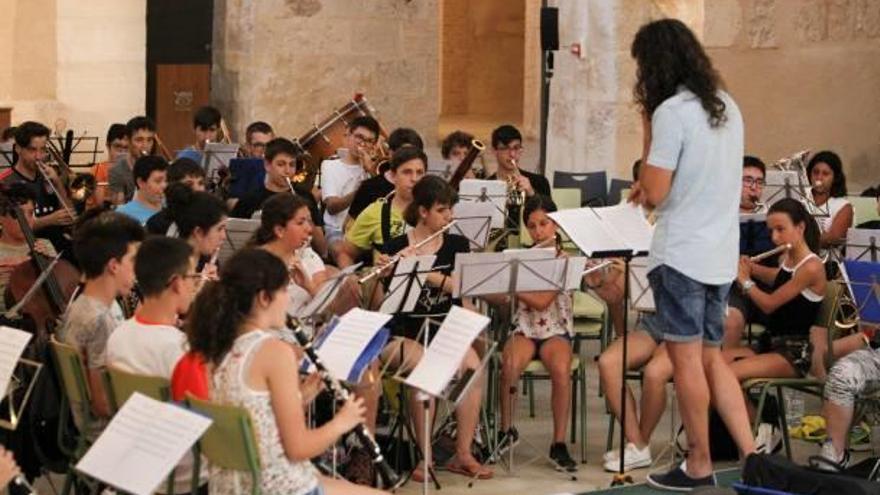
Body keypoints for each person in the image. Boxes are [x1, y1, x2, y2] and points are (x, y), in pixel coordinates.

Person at [627, 19, 755, 490]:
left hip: (680, 254)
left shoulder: (672, 112)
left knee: (685, 363)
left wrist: (646, 122)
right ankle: (750, 454)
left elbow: (656, 191)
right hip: (720, 253)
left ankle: (699, 462)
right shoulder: (728, 107)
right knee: (712, 358)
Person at [184, 248, 386, 495]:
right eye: (284, 290)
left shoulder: (215, 345)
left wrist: (300, 397)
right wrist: (343, 422)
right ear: (263, 298)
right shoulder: (274, 352)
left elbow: (253, 417)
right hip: (275, 486)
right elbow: (298, 448)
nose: (288, 300)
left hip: (232, 484)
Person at [377, 175, 491, 481]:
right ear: (423, 211)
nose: (449, 216)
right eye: (442, 210)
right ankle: (424, 458)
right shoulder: (396, 246)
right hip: (404, 331)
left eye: (450, 209)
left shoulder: (456, 244)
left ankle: (463, 453)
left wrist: (426, 272)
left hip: (444, 328)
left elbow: (461, 287)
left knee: (472, 365)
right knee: (424, 369)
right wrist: (388, 272)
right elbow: (383, 305)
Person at [106, 236, 204, 494]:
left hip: (139, 461)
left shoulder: (118, 335)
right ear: (175, 283)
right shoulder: (179, 350)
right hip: (184, 476)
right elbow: (206, 427)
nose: (196, 285)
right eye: (193, 278)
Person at [497, 194, 578, 472]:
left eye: (544, 224)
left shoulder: (564, 259)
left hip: (556, 328)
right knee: (509, 365)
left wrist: (511, 283)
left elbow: (544, 301)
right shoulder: (520, 258)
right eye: (532, 226)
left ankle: (558, 443)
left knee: (560, 369)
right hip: (524, 327)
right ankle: (506, 431)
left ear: (555, 225)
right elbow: (506, 302)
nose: (538, 231)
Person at [58, 211, 145, 439]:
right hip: (107, 433)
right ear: (114, 265)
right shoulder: (100, 320)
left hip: (87, 426)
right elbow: (103, 405)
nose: (137, 269)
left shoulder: (81, 305)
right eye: (133, 261)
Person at [230, 137, 326, 256]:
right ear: (267, 165)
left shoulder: (304, 197)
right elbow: (235, 243)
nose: (287, 171)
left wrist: (310, 223)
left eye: (292, 165)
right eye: (281, 164)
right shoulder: (250, 200)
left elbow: (323, 251)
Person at [337, 146, 426, 268]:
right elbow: (345, 253)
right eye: (407, 172)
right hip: (384, 283)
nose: (414, 179)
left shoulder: (434, 211)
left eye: (419, 172)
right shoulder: (374, 212)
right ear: (393, 176)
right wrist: (350, 278)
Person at [0, 121, 75, 256]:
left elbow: (69, 215)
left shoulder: (50, 175)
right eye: (32, 149)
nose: (39, 156)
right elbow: (10, 228)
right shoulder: (5, 182)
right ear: (18, 148)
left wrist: (57, 183)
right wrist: (49, 220)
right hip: (27, 249)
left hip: (57, 245)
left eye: (42, 149)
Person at [321, 117, 380, 261]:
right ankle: (351, 282)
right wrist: (362, 189)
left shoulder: (374, 169)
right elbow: (332, 207)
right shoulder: (330, 165)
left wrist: (371, 171)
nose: (363, 144)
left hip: (366, 231)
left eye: (369, 141)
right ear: (348, 135)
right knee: (342, 253)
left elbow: (382, 199)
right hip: (337, 229)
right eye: (359, 137)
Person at [0, 184, 58, 314]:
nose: (26, 220)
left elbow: (58, 288)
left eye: (31, 213)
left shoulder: (45, 245)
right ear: (1, 217)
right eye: (17, 214)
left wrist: (48, 262)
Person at [347, 127, 424, 222]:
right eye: (405, 155)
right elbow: (349, 226)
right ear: (391, 154)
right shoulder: (369, 187)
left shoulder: (425, 189)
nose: (411, 160)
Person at [485, 124, 551, 232]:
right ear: (494, 151)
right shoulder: (486, 186)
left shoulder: (539, 182)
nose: (512, 154)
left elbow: (548, 218)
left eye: (516, 148)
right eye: (505, 148)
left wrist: (531, 193)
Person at [145, 158, 209, 235]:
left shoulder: (210, 217)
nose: (197, 189)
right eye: (189, 184)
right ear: (173, 187)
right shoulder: (157, 223)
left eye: (201, 183)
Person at [807, 150, 854, 248]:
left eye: (825, 174)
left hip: (829, 261)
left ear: (835, 178)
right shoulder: (801, 199)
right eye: (815, 172)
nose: (819, 178)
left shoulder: (844, 206)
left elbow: (833, 239)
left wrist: (798, 238)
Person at [109, 116, 156, 205]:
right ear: (128, 140)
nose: (145, 145)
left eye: (149, 140)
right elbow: (119, 208)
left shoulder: (158, 166)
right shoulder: (117, 170)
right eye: (139, 140)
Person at [116, 155, 168, 225]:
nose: (164, 185)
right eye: (158, 181)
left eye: (167, 180)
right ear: (140, 182)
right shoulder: (123, 215)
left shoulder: (171, 208)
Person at [91, 123, 128, 206]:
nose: (122, 152)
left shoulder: (134, 169)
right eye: (118, 146)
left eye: (126, 148)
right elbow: (100, 203)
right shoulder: (98, 169)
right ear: (108, 146)